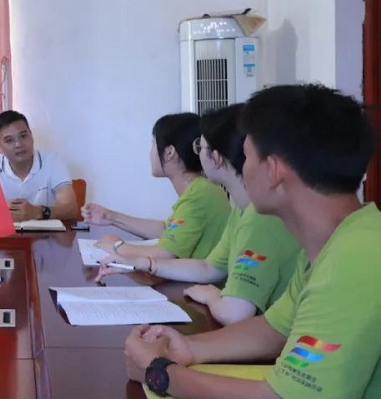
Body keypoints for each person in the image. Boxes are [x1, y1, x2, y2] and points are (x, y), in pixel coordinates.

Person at [124, 84, 381, 398]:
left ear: (273, 170)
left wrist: (160, 374)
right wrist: (188, 346)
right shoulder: (342, 239)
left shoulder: (355, 260)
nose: (241, 168)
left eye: (245, 156)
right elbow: (275, 329)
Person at [96, 105, 301, 325]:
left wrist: (211, 295)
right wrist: (141, 262)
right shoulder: (242, 210)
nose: (197, 154)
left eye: (200, 146)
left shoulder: (258, 218)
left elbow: (234, 313)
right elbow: (208, 267)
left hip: (273, 339)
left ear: (216, 157)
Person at [82, 113, 230, 259]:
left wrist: (116, 246)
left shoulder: (198, 196)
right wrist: (110, 217)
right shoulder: (201, 188)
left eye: (153, 143)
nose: (150, 151)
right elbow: (167, 230)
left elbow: (165, 254)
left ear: (169, 152)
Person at [0, 110, 78, 221]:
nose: (18, 144)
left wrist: (38, 212)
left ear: (31, 135)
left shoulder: (52, 162)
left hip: (46, 232)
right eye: (9, 140)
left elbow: (71, 209)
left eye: (23, 136)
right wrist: (0, 211)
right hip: (5, 232)